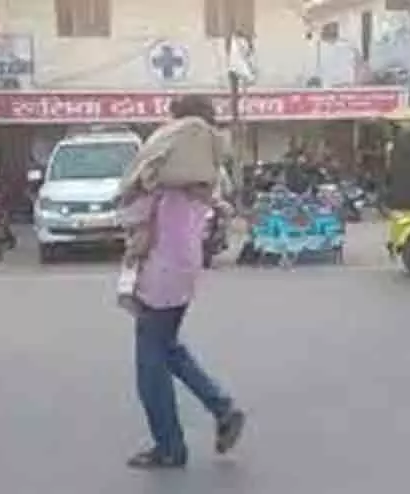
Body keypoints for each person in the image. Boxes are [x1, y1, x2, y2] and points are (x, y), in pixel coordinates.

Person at [116, 95, 245, 469]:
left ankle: (170, 446)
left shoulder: (167, 174)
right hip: (185, 267)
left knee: (149, 365)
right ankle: (222, 408)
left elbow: (133, 211)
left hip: (161, 270)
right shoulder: (207, 173)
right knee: (168, 347)